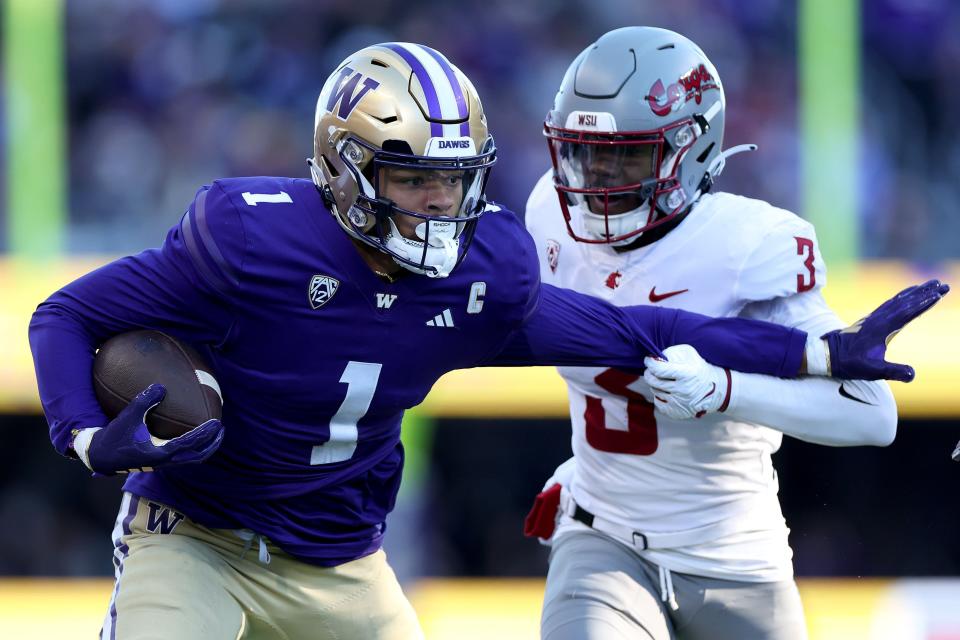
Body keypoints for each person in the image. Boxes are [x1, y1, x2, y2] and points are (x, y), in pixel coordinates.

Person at [29, 42, 941, 640]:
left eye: (456, 180)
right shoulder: (248, 240)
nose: (440, 202)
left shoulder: (483, 275)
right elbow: (63, 314)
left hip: (341, 559)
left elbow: (640, 331)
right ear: (346, 166)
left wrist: (818, 355)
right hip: (197, 534)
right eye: (413, 177)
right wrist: (79, 430)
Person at [520, 27, 945, 640]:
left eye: (627, 155)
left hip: (734, 559)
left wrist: (725, 391)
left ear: (691, 151)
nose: (600, 178)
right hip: (601, 533)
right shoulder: (547, 216)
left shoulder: (747, 245)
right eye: (585, 152)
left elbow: (872, 417)